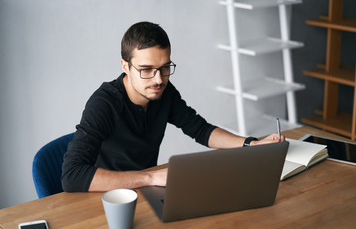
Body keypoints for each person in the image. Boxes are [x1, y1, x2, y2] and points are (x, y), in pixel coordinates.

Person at [61, 21, 284, 192]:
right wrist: (151, 178)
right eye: (146, 69)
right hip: (107, 199)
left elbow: (200, 130)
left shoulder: (163, 92)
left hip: (146, 192)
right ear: (125, 66)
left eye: (165, 67)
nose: (159, 79)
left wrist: (249, 144)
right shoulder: (103, 104)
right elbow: (72, 176)